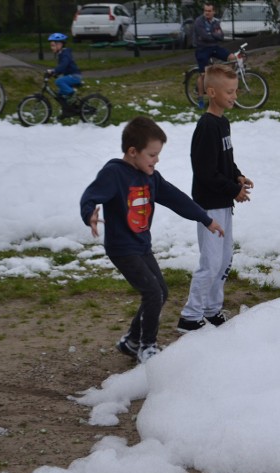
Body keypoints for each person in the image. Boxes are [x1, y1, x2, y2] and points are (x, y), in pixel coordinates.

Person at [80, 117, 224, 363]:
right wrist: (89, 213)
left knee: (160, 292)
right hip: (122, 248)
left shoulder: (151, 177)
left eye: (157, 155)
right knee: (152, 292)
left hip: (141, 245)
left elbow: (175, 198)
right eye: (152, 155)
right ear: (132, 152)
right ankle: (147, 347)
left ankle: (132, 340)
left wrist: (204, 218)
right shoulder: (114, 173)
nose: (156, 160)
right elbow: (91, 196)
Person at [178, 65, 252, 332]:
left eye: (235, 91)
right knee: (210, 262)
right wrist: (233, 190)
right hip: (209, 205)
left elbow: (225, 161)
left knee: (223, 259)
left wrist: (238, 177)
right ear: (212, 92)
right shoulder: (206, 126)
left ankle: (211, 309)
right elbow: (206, 172)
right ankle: (190, 314)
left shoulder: (223, 122)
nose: (234, 96)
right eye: (229, 92)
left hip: (223, 203)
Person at [192, 2, 235, 110]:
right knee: (203, 75)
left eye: (209, 11)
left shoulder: (215, 22)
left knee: (232, 58)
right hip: (202, 49)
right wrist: (214, 35)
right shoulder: (198, 22)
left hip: (214, 47)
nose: (207, 13)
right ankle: (201, 99)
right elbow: (204, 36)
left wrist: (213, 35)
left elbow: (221, 36)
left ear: (213, 12)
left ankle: (223, 81)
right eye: (205, 10)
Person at [46, 32, 83, 118]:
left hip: (74, 76)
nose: (51, 48)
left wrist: (53, 71)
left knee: (59, 81)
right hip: (70, 75)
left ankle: (72, 94)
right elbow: (62, 68)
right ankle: (67, 111)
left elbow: (63, 65)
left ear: (59, 45)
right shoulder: (61, 54)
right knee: (60, 95)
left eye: (52, 45)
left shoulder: (65, 54)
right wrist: (55, 73)